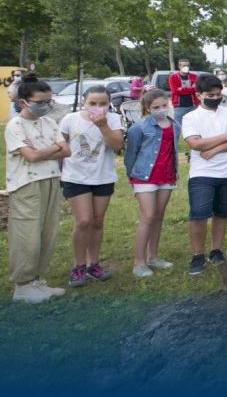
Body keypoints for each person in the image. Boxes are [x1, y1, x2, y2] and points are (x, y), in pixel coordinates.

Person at [5, 74, 70, 303]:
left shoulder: (49, 122)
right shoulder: (15, 125)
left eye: (48, 101)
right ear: (23, 102)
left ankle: (37, 279)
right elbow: (30, 156)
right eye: (40, 102)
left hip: (51, 178)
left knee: (47, 232)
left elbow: (66, 150)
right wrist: (52, 148)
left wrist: (45, 150)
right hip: (27, 184)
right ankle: (23, 284)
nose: (45, 106)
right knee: (27, 234)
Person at [58, 85, 125, 287]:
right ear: (83, 102)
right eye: (93, 103)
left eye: (103, 103)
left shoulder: (113, 119)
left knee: (97, 221)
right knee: (83, 221)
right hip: (75, 176)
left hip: (102, 176)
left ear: (109, 104)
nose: (98, 107)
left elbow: (117, 145)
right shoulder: (70, 119)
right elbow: (61, 145)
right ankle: (78, 266)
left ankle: (93, 264)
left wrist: (103, 125)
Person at [182, 74, 227, 275]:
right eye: (210, 95)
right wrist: (226, 137)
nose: (215, 98)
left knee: (222, 212)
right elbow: (195, 143)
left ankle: (216, 250)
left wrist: (214, 149)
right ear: (199, 95)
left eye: (218, 94)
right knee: (199, 214)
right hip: (202, 173)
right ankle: (197, 255)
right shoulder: (190, 117)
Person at [124, 89, 177, 277]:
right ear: (147, 108)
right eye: (156, 107)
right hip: (144, 176)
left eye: (164, 105)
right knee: (148, 216)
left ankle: (153, 257)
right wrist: (132, 177)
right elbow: (130, 155)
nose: (161, 109)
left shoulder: (174, 125)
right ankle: (139, 262)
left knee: (158, 216)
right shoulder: (138, 128)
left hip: (167, 176)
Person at [168, 58, 199, 128]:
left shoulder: (194, 76)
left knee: (194, 125)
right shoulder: (173, 77)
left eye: (188, 66)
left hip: (193, 105)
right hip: (179, 106)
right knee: (177, 126)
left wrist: (181, 89)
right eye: (184, 65)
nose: (186, 67)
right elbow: (175, 91)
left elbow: (196, 89)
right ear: (179, 66)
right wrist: (191, 89)